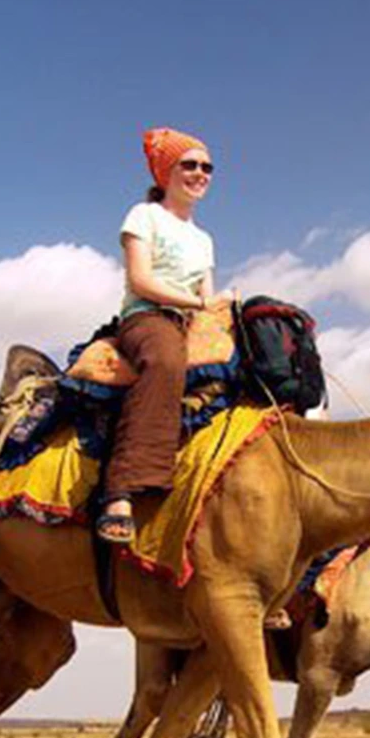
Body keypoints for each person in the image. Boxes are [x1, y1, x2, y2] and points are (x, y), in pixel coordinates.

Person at [95, 126, 235, 544]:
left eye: (206, 166)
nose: (199, 173)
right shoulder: (144, 216)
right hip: (148, 318)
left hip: (190, 321)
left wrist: (224, 310)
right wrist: (197, 306)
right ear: (165, 172)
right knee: (165, 362)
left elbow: (206, 295)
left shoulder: (204, 238)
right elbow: (141, 280)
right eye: (188, 164)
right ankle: (119, 493)